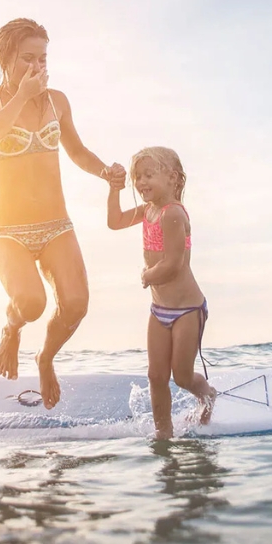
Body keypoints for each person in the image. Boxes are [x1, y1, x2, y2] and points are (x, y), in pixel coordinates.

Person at [0, 18, 126, 409]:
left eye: (42, 58)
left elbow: (76, 151)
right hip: (7, 231)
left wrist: (104, 170)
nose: (37, 67)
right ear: (5, 60)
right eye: (27, 58)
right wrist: (22, 96)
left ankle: (46, 358)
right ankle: (12, 328)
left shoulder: (58, 100)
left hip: (56, 225)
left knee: (76, 305)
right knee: (32, 303)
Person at [106, 147, 215, 439]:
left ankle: (206, 392)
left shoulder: (173, 214)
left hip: (187, 310)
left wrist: (147, 275)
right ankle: (163, 431)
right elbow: (114, 221)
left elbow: (174, 264)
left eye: (148, 175)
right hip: (159, 310)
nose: (141, 182)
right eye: (137, 177)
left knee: (180, 376)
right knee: (156, 376)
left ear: (172, 178)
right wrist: (114, 189)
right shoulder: (147, 211)